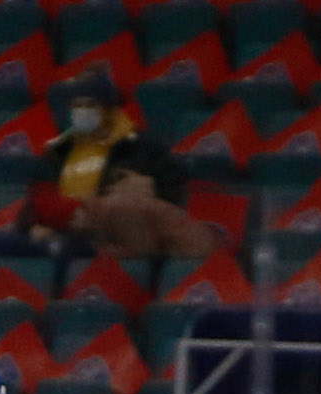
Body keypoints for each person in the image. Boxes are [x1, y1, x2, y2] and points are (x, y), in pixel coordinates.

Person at [21, 76, 219, 273]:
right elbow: (36, 199)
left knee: (67, 253)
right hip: (63, 231)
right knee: (2, 246)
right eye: (75, 107)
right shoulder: (57, 151)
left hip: (119, 238)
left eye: (89, 106)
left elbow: (164, 203)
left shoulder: (145, 149)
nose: (81, 113)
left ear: (109, 108)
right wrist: (34, 226)